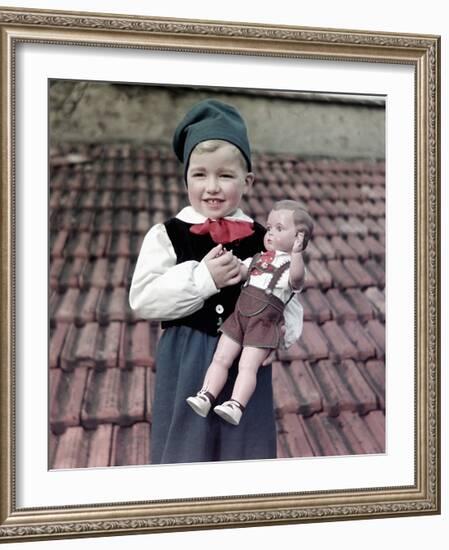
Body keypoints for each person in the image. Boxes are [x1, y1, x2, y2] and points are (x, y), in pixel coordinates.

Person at [129, 99, 303, 464]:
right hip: (186, 355)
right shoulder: (166, 235)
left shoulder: (264, 236)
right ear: (186, 178)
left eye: (225, 175)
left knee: (244, 448)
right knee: (186, 450)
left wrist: (279, 337)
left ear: (247, 181)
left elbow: (287, 292)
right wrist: (203, 278)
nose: (212, 187)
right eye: (200, 174)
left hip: (246, 356)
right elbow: (143, 299)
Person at [186, 200, 313, 426]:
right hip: (240, 316)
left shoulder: (291, 268)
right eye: (269, 226)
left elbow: (297, 279)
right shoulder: (258, 257)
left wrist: (297, 253)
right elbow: (242, 271)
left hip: (263, 324)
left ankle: (236, 405)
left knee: (247, 366)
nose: (270, 232)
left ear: (298, 238)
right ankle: (206, 395)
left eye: (279, 228)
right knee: (221, 357)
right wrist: (226, 260)